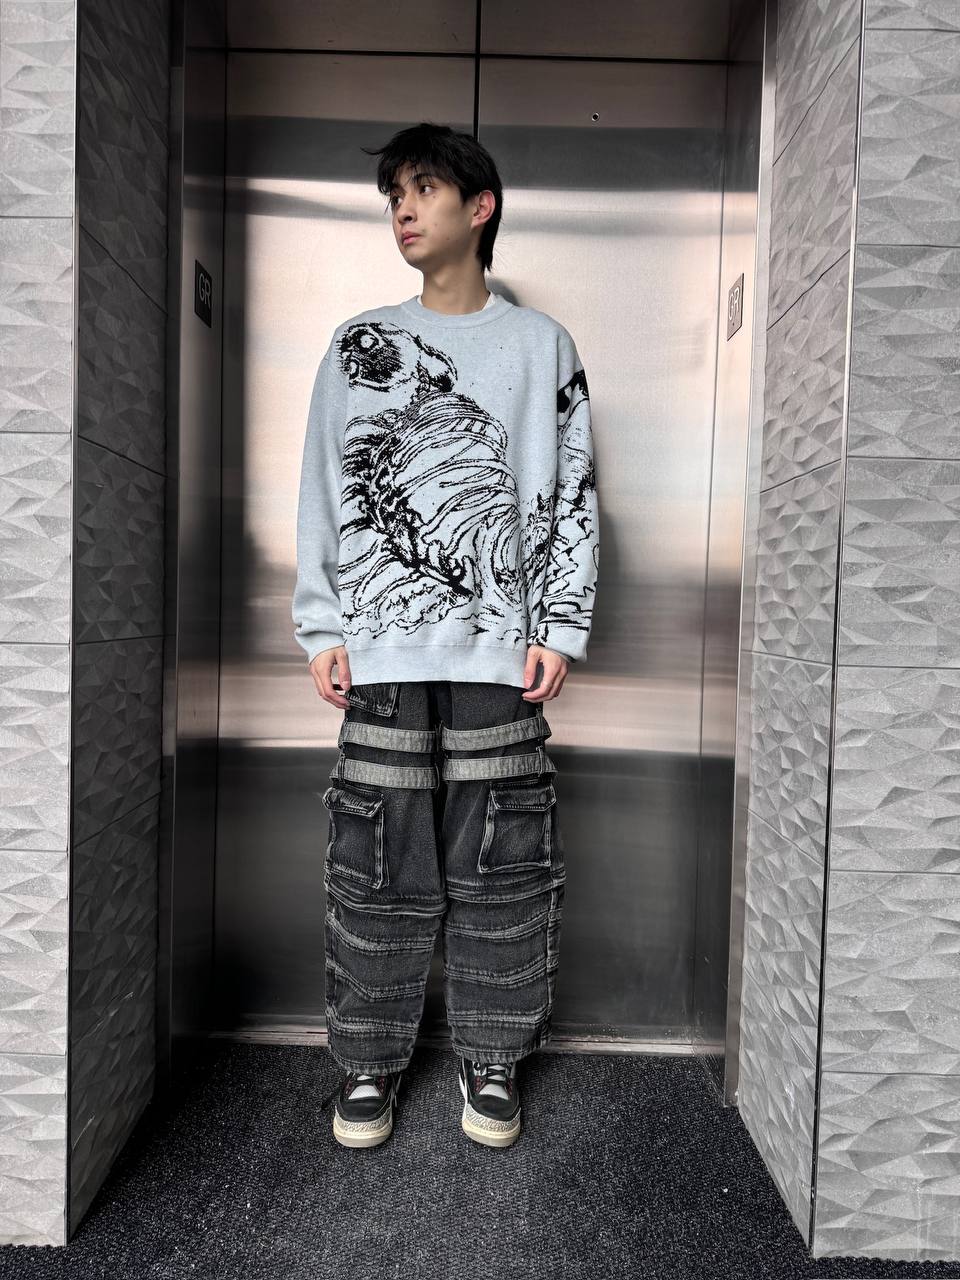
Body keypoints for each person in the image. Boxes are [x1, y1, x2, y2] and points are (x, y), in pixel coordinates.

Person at [292, 121, 599, 1150]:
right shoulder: (356, 343)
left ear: (481, 207)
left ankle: (492, 1053)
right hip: (381, 653)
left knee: (503, 864)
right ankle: (370, 1060)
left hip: (500, 652)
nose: (404, 211)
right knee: (377, 862)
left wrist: (562, 621)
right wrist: (321, 624)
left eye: (423, 189)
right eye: (394, 196)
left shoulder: (542, 344)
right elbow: (322, 486)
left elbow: (571, 488)